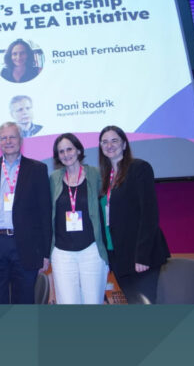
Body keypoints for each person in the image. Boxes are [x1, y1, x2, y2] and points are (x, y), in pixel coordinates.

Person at [0, 122, 52, 304]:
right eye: (4, 137)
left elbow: (45, 213)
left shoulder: (38, 169)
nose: (8, 141)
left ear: (21, 140)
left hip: (26, 245)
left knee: (24, 300)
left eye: (12, 137)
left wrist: (45, 253)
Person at [98, 125, 170, 304]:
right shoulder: (106, 177)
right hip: (118, 255)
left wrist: (142, 255)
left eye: (114, 140)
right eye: (105, 142)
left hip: (139, 256)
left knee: (146, 306)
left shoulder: (139, 168)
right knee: (134, 303)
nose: (109, 145)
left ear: (124, 144)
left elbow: (149, 214)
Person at [49, 133, 108, 304]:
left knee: (92, 303)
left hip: (91, 250)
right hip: (62, 253)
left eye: (69, 149)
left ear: (79, 150)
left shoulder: (95, 175)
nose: (66, 154)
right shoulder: (54, 179)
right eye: (61, 152)